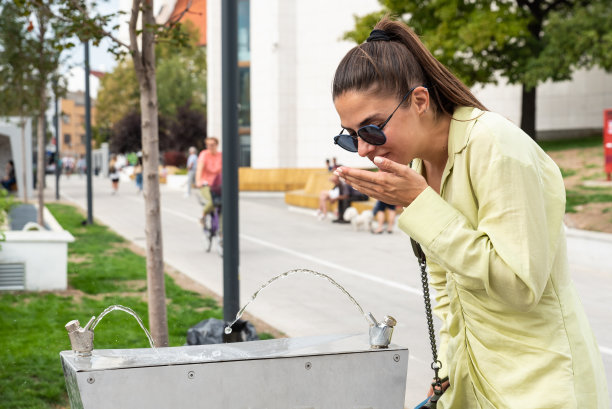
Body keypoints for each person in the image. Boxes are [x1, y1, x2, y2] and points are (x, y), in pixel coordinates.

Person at [331, 17, 608, 409]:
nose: (362, 150)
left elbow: (519, 286)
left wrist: (423, 204)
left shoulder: (495, 145)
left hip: (543, 387)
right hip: (472, 385)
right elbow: (448, 290)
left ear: (420, 101)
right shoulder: (417, 167)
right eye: (350, 135)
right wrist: (447, 373)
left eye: (372, 129)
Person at [195, 137, 222, 222]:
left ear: (217, 145)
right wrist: (198, 181)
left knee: (223, 203)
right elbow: (199, 169)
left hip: (218, 184)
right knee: (213, 201)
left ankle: (222, 232)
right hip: (206, 183)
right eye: (208, 145)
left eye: (212, 145)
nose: (210, 147)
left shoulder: (221, 155)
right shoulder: (204, 154)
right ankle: (203, 215)